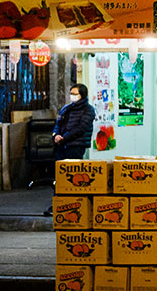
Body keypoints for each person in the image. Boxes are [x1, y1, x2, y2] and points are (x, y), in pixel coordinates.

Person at [43, 83, 95, 215]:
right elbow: (58, 123)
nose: (72, 96)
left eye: (75, 94)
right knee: (59, 177)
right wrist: (55, 135)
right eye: (71, 93)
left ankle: (73, 205)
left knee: (73, 177)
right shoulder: (66, 109)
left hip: (76, 146)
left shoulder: (88, 110)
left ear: (82, 95)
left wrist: (64, 138)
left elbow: (81, 129)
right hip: (61, 146)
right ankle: (57, 204)